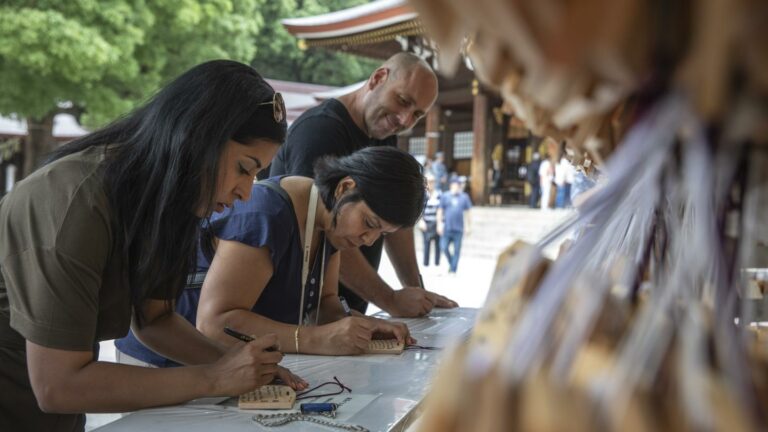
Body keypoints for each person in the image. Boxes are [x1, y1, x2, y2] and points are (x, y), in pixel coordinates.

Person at [0, 60, 306, 432]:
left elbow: (156, 321)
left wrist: (247, 367)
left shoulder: (166, 204)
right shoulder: (74, 201)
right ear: (197, 138)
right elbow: (57, 384)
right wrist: (215, 377)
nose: (245, 193)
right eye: (244, 168)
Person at [116, 147, 422, 361]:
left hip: (229, 366)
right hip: (170, 357)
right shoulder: (266, 213)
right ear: (345, 188)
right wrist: (315, 339)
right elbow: (216, 323)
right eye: (369, 223)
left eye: (380, 234)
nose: (368, 240)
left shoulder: (329, 222)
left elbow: (323, 305)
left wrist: (362, 329)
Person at [267, 52, 457, 317]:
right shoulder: (321, 132)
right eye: (402, 101)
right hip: (298, 312)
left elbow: (397, 219)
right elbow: (320, 228)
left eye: (416, 115)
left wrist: (416, 292)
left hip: (340, 309)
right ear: (378, 78)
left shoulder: (383, 134)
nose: (404, 120)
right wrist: (390, 300)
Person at [437, 179, 472, 274]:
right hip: (447, 227)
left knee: (457, 250)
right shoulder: (445, 196)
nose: (456, 187)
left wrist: (468, 226)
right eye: (454, 185)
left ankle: (453, 270)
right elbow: (440, 210)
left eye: (458, 185)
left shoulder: (464, 197)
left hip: (459, 228)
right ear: (451, 186)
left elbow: (468, 212)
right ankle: (452, 263)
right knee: (443, 247)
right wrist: (439, 224)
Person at [418, 174, 441, 267]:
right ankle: (426, 264)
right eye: (429, 181)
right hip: (426, 222)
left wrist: (440, 223)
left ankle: (437, 264)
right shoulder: (422, 195)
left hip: (436, 222)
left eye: (432, 181)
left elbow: (442, 209)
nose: (431, 183)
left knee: (438, 245)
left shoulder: (439, 194)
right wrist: (421, 221)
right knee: (426, 244)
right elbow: (419, 210)